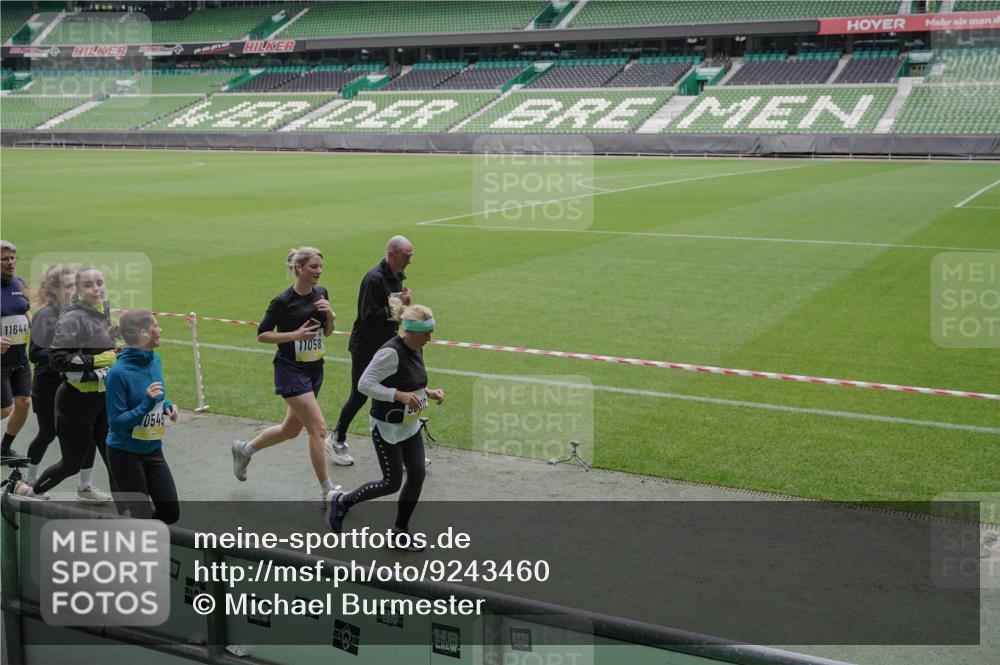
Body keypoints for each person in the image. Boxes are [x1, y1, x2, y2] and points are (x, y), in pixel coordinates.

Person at [326, 303, 444, 549]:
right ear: (409, 331)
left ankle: (400, 532)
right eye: (426, 334)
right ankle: (342, 502)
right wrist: (397, 395)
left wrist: (427, 392)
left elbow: (410, 379)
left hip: (408, 425)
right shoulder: (389, 352)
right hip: (386, 427)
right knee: (390, 483)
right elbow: (364, 384)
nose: (429, 339)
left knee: (417, 474)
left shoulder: (416, 347)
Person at [231, 247, 338, 503]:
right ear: (300, 268)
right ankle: (328, 491)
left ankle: (244, 450)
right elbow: (262, 334)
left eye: (321, 266)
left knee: (291, 430)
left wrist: (331, 316)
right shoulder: (282, 301)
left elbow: (329, 332)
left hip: (315, 368)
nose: (319, 271)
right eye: (314, 267)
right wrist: (294, 336)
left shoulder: (321, 294)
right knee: (318, 429)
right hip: (290, 370)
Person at [15, 267, 116, 502]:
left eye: (74, 286)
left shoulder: (96, 310)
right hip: (51, 385)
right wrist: (74, 354)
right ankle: (30, 482)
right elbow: (39, 355)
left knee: (99, 445)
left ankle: (86, 486)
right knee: (48, 434)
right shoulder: (47, 316)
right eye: (69, 286)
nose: (73, 291)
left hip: (84, 384)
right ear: (55, 289)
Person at [329, 235, 414, 466]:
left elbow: (391, 316)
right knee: (360, 395)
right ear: (391, 255)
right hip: (366, 346)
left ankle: (405, 449)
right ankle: (337, 438)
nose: (409, 262)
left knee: (398, 393)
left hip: (389, 346)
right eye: (406, 257)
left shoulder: (397, 276)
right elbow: (369, 318)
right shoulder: (374, 279)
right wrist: (401, 304)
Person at [104, 310, 179, 524]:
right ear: (144, 333)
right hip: (125, 453)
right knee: (141, 516)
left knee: (170, 514)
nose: (161, 329)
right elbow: (116, 423)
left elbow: (156, 396)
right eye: (156, 326)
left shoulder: (155, 360)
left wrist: (167, 406)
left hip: (153, 449)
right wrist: (146, 405)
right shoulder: (118, 373)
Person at [1, 240, 32, 462]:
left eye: (13, 258)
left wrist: (37, 328)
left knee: (24, 403)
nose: (10, 262)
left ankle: (4, 449)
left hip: (20, 358)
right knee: (4, 409)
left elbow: (25, 311)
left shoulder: (19, 285)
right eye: (4, 259)